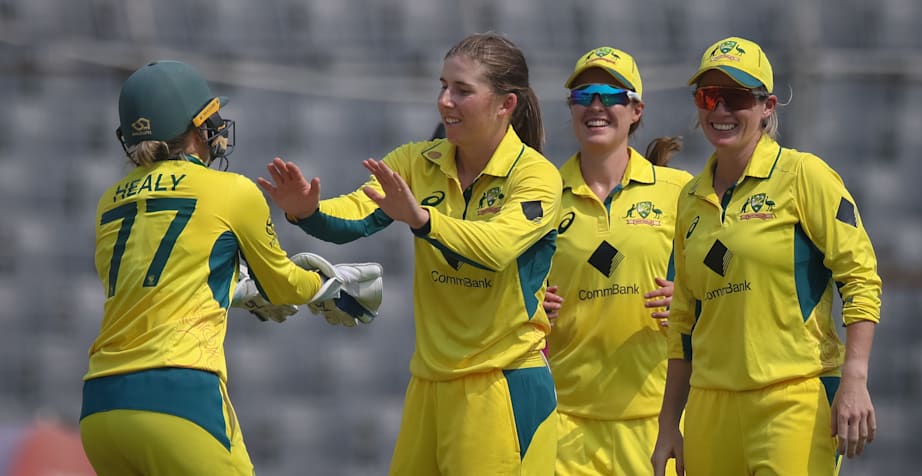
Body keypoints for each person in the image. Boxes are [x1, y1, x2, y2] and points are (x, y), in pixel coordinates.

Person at [257, 32, 563, 476]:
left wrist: (423, 220)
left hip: (501, 384)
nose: (444, 101)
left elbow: (496, 249)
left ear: (506, 104)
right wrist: (308, 210)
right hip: (429, 383)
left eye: (462, 90)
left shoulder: (537, 176)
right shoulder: (418, 161)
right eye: (442, 86)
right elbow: (355, 215)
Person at [81, 60, 381, 475]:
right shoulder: (231, 190)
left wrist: (235, 290)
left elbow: (152, 285)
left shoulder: (109, 200)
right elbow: (282, 287)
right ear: (193, 127)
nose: (217, 127)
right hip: (178, 394)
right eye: (209, 119)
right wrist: (329, 284)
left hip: (101, 407)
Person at [651, 37, 882, 476]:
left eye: (735, 98)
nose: (719, 111)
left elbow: (860, 277)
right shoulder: (689, 199)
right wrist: (668, 423)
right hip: (709, 406)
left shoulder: (802, 175)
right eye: (708, 97)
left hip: (791, 398)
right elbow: (684, 320)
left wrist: (854, 378)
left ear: (767, 106)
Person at [540, 46, 691, 476]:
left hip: (657, 419)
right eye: (583, 95)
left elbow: (727, 281)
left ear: (636, 109)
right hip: (566, 423)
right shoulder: (544, 193)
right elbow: (511, 288)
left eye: (610, 93)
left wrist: (690, 299)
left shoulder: (680, 191)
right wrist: (529, 303)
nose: (596, 106)